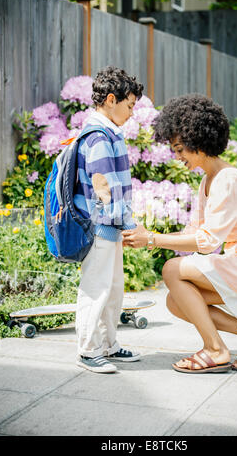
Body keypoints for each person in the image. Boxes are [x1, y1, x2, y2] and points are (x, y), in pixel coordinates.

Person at [122, 94, 237, 374]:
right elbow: (194, 233)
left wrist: (151, 238)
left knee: (171, 269)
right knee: (177, 302)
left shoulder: (228, 179)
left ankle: (215, 349)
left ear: (199, 141)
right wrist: (142, 236)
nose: (177, 157)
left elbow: (207, 242)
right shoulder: (208, 179)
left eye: (180, 149)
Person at [74, 66, 144, 373]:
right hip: (101, 227)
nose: (131, 113)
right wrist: (127, 222)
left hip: (111, 227)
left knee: (114, 288)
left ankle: (108, 345)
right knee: (97, 287)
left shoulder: (109, 133)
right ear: (111, 100)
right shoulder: (99, 136)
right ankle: (88, 350)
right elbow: (103, 189)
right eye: (129, 106)